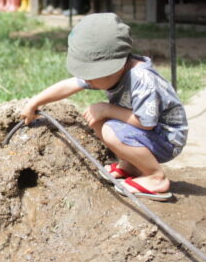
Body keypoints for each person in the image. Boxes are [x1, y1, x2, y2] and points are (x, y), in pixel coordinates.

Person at [20, 13, 187, 201]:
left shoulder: (142, 79)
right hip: (145, 132)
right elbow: (69, 85)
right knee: (99, 120)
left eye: (92, 75)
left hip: (166, 138)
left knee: (109, 128)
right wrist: (35, 102)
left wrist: (107, 109)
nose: (87, 80)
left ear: (115, 68)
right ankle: (131, 165)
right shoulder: (111, 74)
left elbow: (146, 123)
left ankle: (156, 177)